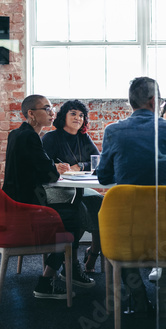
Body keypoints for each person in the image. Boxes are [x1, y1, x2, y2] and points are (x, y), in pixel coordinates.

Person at [97, 77, 166, 318]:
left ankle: (139, 298)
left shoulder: (113, 131)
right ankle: (165, 299)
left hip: (128, 230)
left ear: (130, 102)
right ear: (155, 101)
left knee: (125, 236)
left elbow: (104, 177)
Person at [2, 94, 95, 300]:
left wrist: (53, 168)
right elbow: (49, 174)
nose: (52, 112)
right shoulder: (31, 137)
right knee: (74, 218)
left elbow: (36, 168)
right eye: (46, 109)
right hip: (27, 206)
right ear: (31, 114)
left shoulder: (17, 134)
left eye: (52, 108)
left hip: (17, 201)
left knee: (75, 211)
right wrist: (55, 169)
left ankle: (65, 269)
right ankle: (47, 280)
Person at [41, 99, 104, 274]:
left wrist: (80, 166)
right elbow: (42, 168)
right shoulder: (51, 138)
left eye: (81, 115)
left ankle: (92, 255)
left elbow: (98, 162)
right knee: (79, 209)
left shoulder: (83, 138)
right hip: (54, 189)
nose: (78, 118)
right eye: (73, 113)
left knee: (100, 204)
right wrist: (55, 167)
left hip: (77, 188)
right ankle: (72, 265)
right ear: (63, 117)